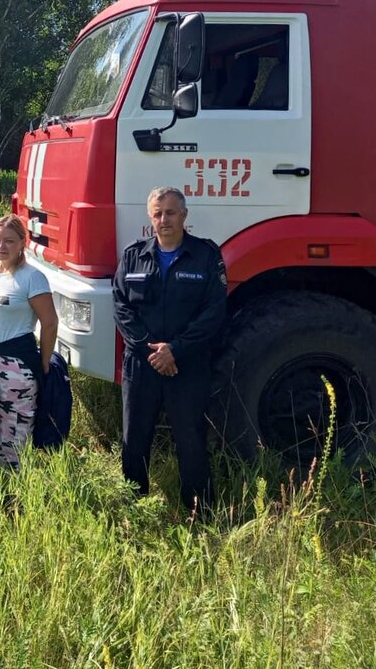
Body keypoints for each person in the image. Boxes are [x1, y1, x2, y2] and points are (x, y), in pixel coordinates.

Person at [113, 186, 227, 514]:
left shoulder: (206, 256)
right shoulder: (134, 255)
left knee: (191, 441)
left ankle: (199, 513)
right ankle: (133, 510)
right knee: (134, 440)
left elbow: (214, 311)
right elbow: (121, 306)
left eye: (171, 212)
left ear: (184, 216)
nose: (164, 219)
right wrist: (153, 351)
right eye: (158, 213)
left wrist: (175, 350)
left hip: (187, 365)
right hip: (142, 365)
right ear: (150, 218)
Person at [0, 214, 59, 470]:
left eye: (9, 241)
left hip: (16, 364)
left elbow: (49, 323)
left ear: (21, 243)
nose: (2, 246)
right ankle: (1, 480)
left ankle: (19, 491)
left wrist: (44, 363)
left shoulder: (31, 277)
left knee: (16, 431)